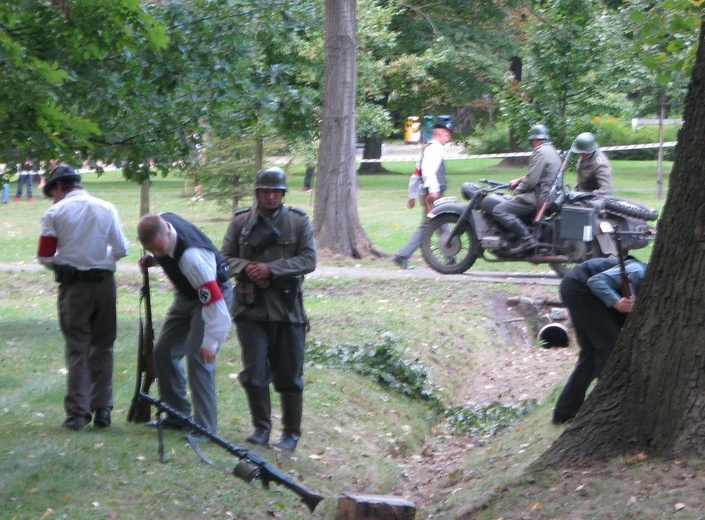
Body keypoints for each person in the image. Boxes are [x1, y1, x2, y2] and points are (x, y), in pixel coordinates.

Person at [221, 166, 316, 452]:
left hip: (286, 309)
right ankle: (261, 428)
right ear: (257, 193)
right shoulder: (241, 222)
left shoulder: (298, 221)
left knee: (289, 375)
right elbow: (223, 258)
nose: (271, 196)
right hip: (250, 307)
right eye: (266, 191)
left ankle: (290, 433)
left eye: (276, 192)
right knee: (254, 372)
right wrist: (247, 267)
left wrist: (271, 269)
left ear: (284, 194)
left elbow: (308, 260)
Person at [36, 165, 129, 430]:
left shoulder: (55, 213)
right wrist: (100, 260)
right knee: (103, 345)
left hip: (73, 286)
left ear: (58, 186)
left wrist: (65, 265)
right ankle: (103, 410)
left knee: (77, 348)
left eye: (51, 190)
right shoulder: (106, 207)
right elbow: (121, 248)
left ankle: (77, 415)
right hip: (103, 284)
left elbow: (44, 255)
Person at [137, 213, 233, 435]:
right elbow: (162, 251)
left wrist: (210, 341)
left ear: (168, 233)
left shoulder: (192, 258)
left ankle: (205, 428)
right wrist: (155, 259)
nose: (158, 253)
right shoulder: (161, 224)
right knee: (163, 352)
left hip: (211, 299)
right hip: (187, 295)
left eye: (159, 248)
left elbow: (215, 303)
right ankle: (177, 416)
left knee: (199, 357)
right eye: (152, 250)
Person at [552, 256, 647, 424]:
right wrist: (617, 302)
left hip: (580, 289)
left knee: (590, 354)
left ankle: (565, 411)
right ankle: (608, 404)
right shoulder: (638, 271)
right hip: (579, 287)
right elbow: (596, 281)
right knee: (610, 348)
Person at [492, 124, 562, 254]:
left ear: (534, 139)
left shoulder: (539, 152)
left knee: (499, 210)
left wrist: (517, 192)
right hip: (549, 194)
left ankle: (527, 240)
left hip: (539, 197)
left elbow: (531, 181)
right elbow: (541, 174)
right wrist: (519, 180)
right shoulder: (552, 151)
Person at [393, 122, 453, 269]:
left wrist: (412, 195)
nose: (448, 139)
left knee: (441, 223)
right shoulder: (434, 149)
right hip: (432, 194)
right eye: (446, 135)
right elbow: (427, 171)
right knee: (428, 225)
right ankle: (402, 255)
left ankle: (451, 259)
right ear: (439, 134)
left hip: (431, 193)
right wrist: (433, 190)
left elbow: (416, 174)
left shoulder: (428, 149)